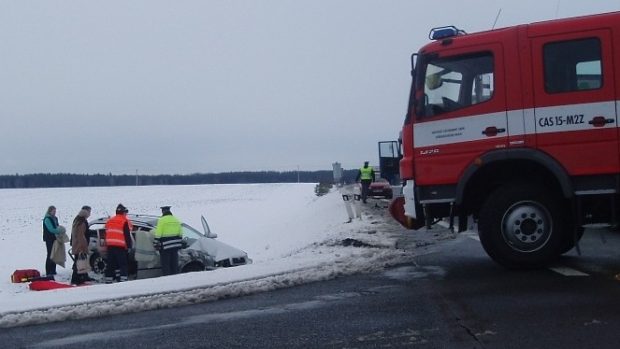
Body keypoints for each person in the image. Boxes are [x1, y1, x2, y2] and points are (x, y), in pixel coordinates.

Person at [104, 204, 133, 283]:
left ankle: (109, 280)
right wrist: (129, 246)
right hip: (120, 246)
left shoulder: (110, 220)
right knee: (123, 264)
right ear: (123, 213)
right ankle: (123, 279)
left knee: (111, 264)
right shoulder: (124, 221)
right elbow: (128, 234)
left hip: (110, 246)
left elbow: (106, 230)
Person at [154, 206, 183, 276]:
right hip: (175, 246)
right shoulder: (176, 219)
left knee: (166, 264)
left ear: (163, 212)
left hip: (165, 246)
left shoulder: (162, 220)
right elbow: (181, 233)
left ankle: (167, 278)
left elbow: (158, 234)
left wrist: (156, 243)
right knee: (174, 263)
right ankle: (175, 277)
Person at [70, 205, 92, 285]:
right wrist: (83, 247)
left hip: (77, 245)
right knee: (79, 263)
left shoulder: (78, 220)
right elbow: (81, 236)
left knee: (80, 262)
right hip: (80, 246)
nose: (90, 213)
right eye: (89, 211)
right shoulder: (82, 222)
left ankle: (82, 277)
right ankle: (76, 279)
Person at [43, 205, 62, 277]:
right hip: (49, 238)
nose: (55, 212)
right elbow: (51, 229)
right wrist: (58, 231)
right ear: (50, 211)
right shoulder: (47, 219)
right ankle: (48, 271)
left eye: (55, 211)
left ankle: (53, 270)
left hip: (55, 238)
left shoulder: (55, 218)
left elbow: (57, 226)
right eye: (53, 211)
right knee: (50, 254)